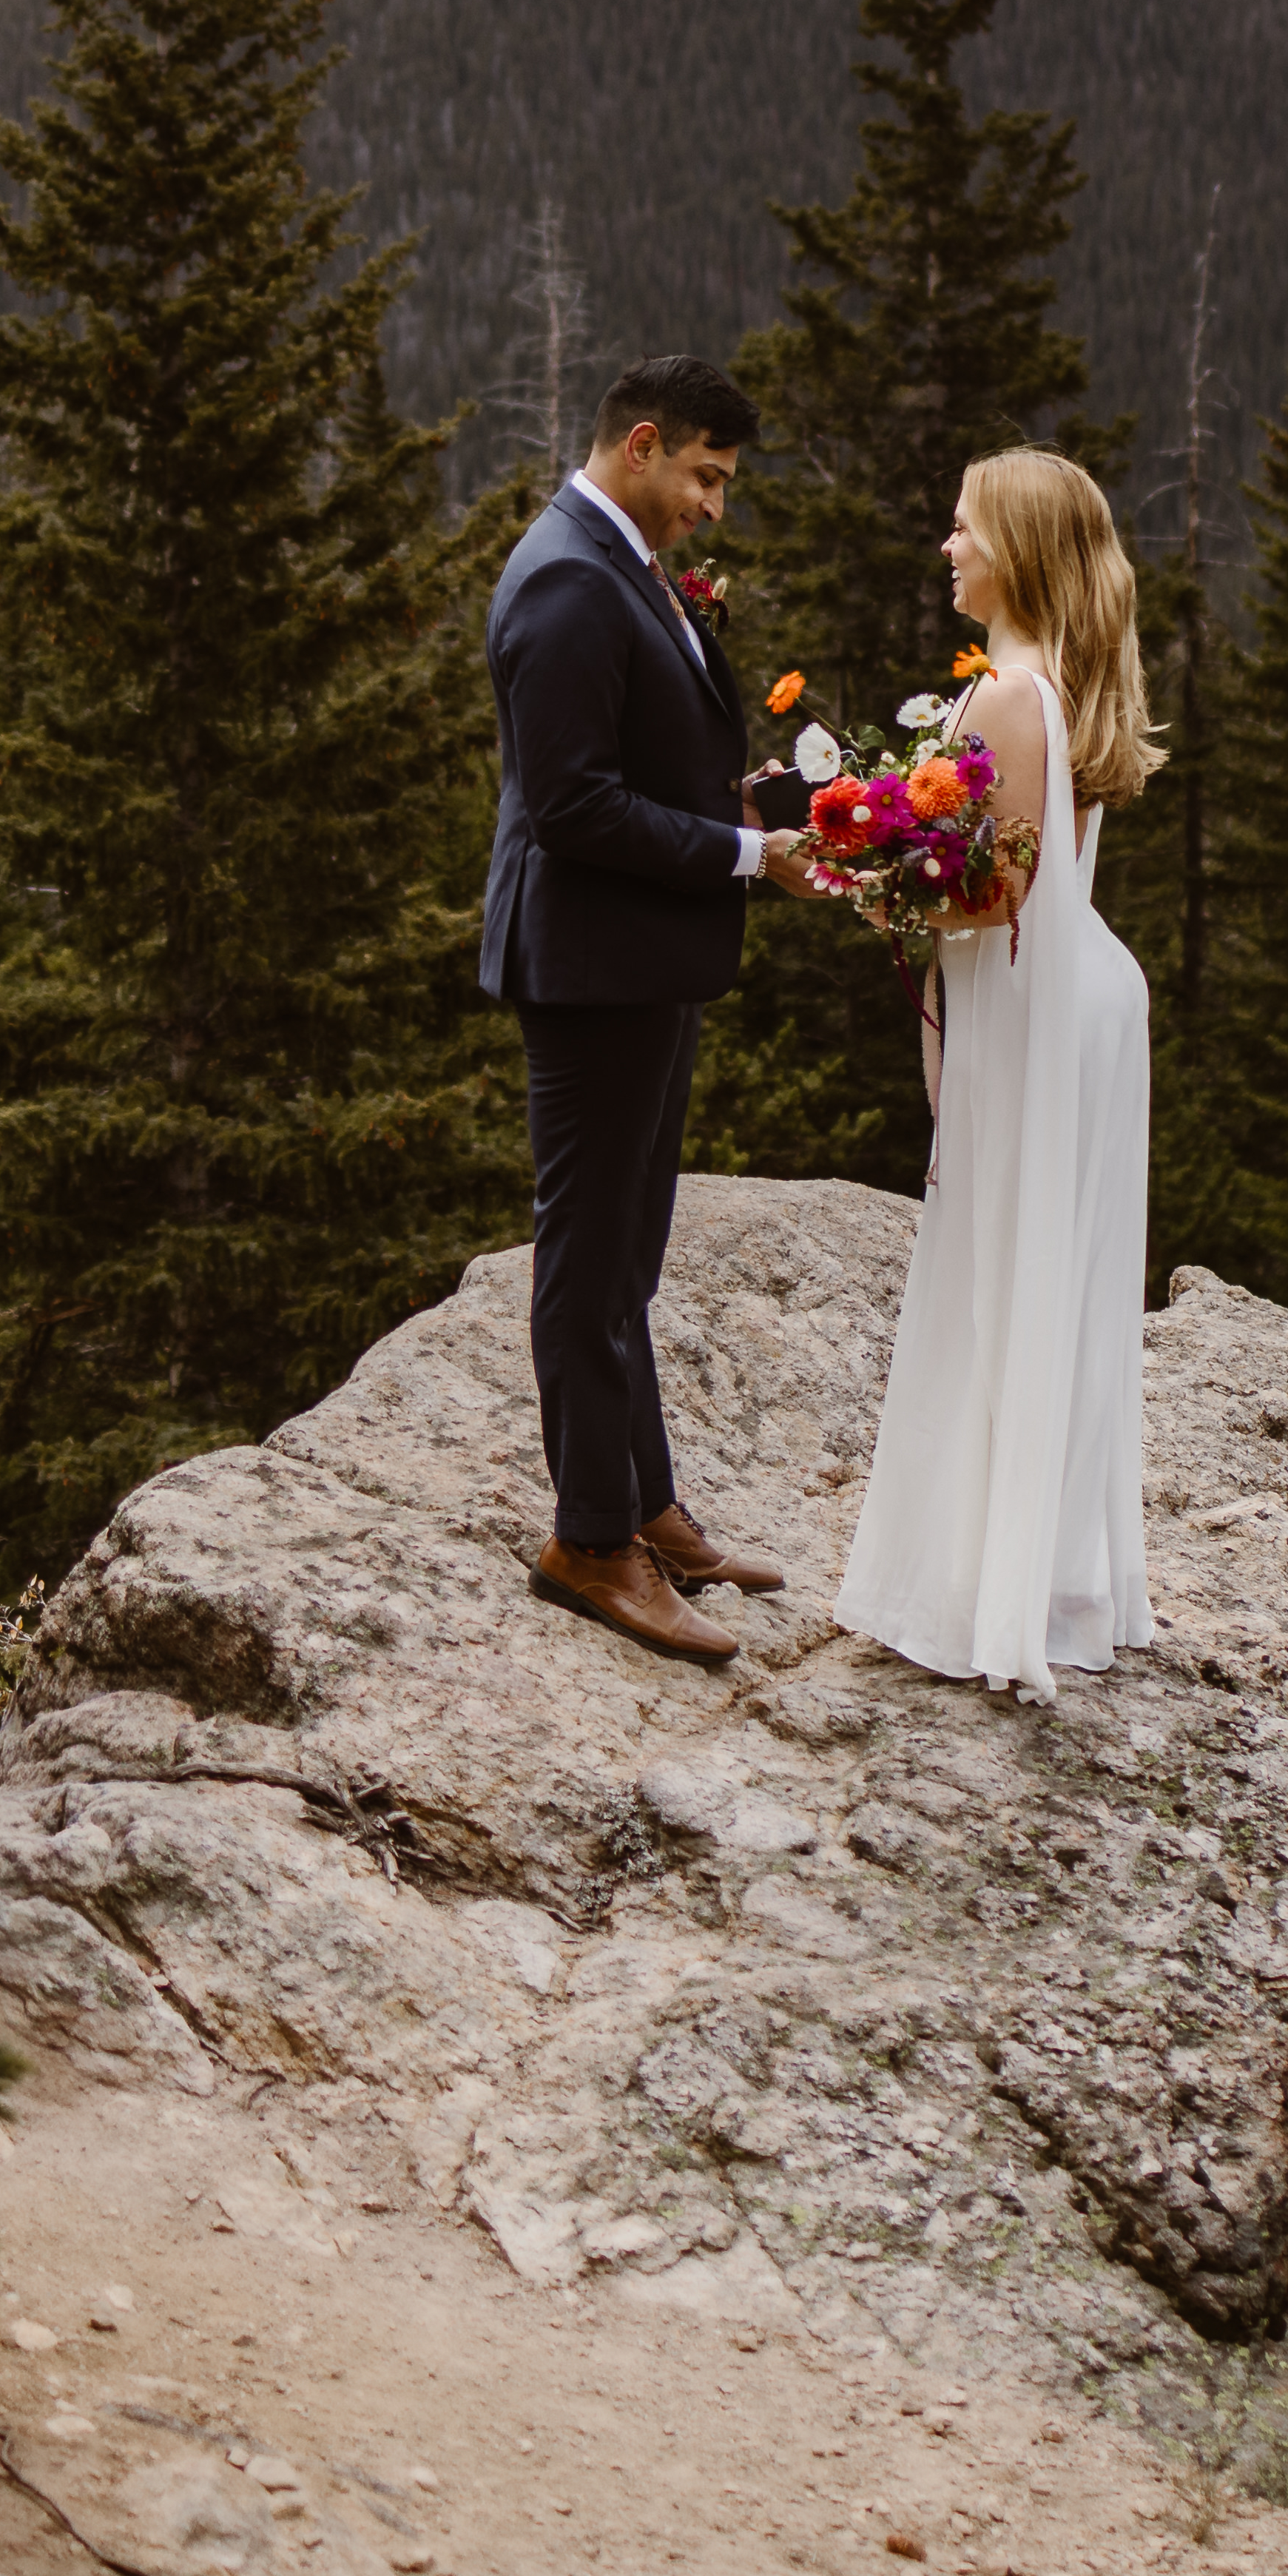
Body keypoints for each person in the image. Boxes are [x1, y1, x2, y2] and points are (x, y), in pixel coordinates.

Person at [476, 357, 817, 1666]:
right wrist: (745, 860)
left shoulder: (618, 561)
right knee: (588, 1250)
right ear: (641, 444)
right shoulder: (566, 576)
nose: (715, 508)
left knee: (631, 1248)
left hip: (642, 958)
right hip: (588, 964)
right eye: (706, 478)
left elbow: (632, 758)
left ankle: (646, 1502)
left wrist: (738, 803)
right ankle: (589, 1541)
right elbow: (569, 808)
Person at [833, 447, 1159, 1697]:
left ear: (1015, 549)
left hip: (1040, 998)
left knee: (1011, 1272)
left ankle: (998, 1590)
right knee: (1049, 1280)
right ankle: (1041, 1568)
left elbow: (997, 893)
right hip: (1078, 996)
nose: (947, 546)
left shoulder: (1016, 698)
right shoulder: (1055, 685)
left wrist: (876, 873)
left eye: (963, 527)